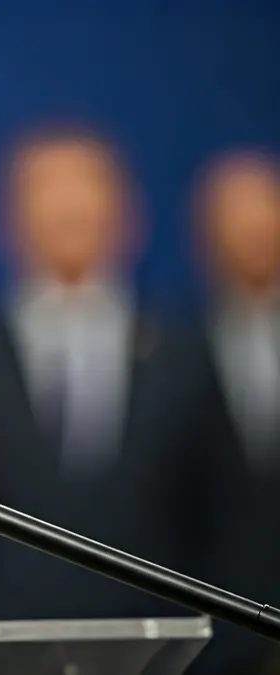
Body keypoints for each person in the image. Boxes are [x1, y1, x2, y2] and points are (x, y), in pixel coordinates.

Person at [0, 126, 212, 623]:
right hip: (2, 638)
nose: (69, 208)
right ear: (6, 219)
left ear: (131, 215)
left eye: (87, 186)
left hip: (159, 635)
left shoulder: (188, 354)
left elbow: (216, 514)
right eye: (46, 189)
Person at [187, 150, 280, 674]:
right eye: (235, 218)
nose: (253, 232)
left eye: (266, 213)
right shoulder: (172, 357)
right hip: (220, 635)